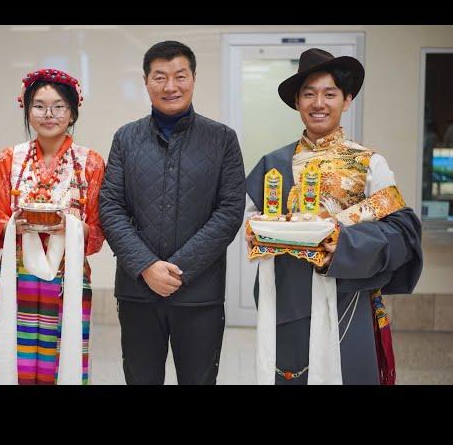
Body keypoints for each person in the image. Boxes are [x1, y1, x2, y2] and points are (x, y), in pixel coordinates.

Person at [245, 48, 423, 385]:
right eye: (309, 94)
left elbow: (403, 234)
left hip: (349, 300)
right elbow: (253, 221)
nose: (318, 103)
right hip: (289, 302)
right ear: (297, 102)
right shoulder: (273, 164)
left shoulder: (370, 163)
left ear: (347, 100)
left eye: (330, 94)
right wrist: (256, 234)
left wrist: (343, 244)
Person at [99, 41, 245, 385]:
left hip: (200, 294)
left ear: (193, 78)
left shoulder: (222, 139)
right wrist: (146, 266)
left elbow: (229, 211)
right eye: (160, 77)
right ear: (146, 82)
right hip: (138, 291)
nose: (170, 86)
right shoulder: (126, 138)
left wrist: (180, 269)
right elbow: (110, 207)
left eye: (180, 76)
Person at [0, 69, 105, 385]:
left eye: (59, 106)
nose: (48, 114)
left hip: (69, 277)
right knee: (15, 357)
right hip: (17, 273)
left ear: (73, 111)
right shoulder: (9, 158)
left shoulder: (90, 162)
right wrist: (15, 224)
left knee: (62, 358)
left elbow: (97, 231)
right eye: (39, 106)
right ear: (26, 109)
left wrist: (71, 226)